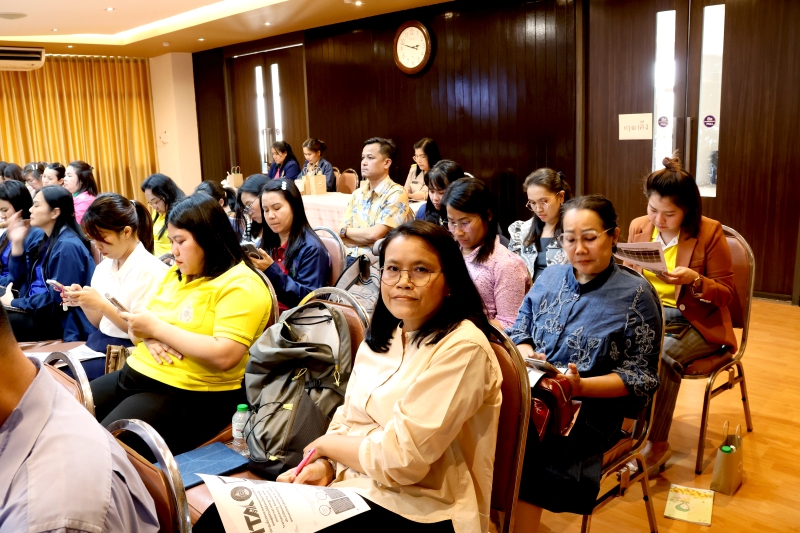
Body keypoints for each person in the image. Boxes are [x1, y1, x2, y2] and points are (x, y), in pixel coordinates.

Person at [272, 221, 502, 533]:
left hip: (424, 505)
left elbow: (403, 460)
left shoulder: (463, 347)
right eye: (392, 269)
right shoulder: (384, 336)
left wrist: (327, 445)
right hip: (356, 486)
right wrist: (326, 466)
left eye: (420, 270)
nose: (403, 282)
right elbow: (349, 417)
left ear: (450, 282)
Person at [506, 195, 661, 531]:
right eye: (569, 239)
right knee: (482, 433)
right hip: (536, 398)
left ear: (613, 235)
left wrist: (579, 386)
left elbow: (641, 377)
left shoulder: (636, 295)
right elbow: (519, 330)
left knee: (525, 455)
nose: (579, 249)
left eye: (590, 238)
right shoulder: (550, 277)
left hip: (591, 414)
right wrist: (528, 352)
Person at [89, 195, 272, 455]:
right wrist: (148, 335)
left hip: (187, 394)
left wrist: (157, 330)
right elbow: (136, 329)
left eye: (180, 241)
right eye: (172, 241)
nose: (173, 251)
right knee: (68, 413)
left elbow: (225, 355)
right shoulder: (177, 274)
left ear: (209, 237)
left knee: (102, 449)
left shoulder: (241, 284)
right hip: (133, 374)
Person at [0, 304, 160, 532]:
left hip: (171, 378)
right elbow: (132, 332)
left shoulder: (47, 517)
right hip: (131, 366)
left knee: (112, 430)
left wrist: (157, 332)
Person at [628, 155, 735, 476]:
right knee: (609, 341)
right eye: (652, 209)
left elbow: (726, 294)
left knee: (661, 356)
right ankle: (625, 432)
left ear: (687, 209)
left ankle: (657, 443)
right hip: (650, 314)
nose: (658, 220)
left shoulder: (709, 232)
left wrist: (696, 281)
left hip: (697, 321)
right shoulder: (640, 227)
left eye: (669, 214)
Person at [64, 194, 168, 358]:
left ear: (126, 232)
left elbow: (140, 333)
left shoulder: (153, 271)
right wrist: (84, 302)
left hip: (129, 350)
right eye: (93, 238)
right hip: (100, 342)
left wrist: (101, 305)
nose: (97, 246)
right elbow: (99, 323)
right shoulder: (103, 267)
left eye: (102, 237)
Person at [0, 186, 97, 342]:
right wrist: (17, 244)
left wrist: (13, 302)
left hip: (58, 321)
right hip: (35, 308)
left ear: (54, 212)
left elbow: (57, 301)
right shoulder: (47, 241)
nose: (30, 210)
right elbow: (17, 279)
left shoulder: (67, 247)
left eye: (36, 205)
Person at [442, 177, 528, 330]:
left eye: (465, 223)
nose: (458, 232)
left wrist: (457, 327)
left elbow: (510, 325)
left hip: (478, 339)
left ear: (488, 215)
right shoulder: (448, 252)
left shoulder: (506, 264)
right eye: (452, 222)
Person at [249, 179, 330, 310]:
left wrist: (270, 270)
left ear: (294, 207)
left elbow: (308, 299)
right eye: (266, 210)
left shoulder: (312, 248)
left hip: (293, 318)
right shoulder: (267, 241)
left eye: (277, 208)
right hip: (264, 310)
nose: (270, 216)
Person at [339, 137, 414, 266]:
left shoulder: (396, 193)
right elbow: (340, 233)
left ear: (386, 163)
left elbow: (375, 234)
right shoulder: (357, 194)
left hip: (378, 263)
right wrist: (363, 239)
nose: (364, 162)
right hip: (349, 257)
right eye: (363, 157)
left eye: (370, 157)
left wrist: (347, 233)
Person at [508, 168, 571, 281]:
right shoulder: (522, 230)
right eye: (532, 203)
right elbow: (513, 270)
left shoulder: (574, 229)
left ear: (561, 196)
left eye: (544, 202)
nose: (538, 209)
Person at [0, 181, 45, 289]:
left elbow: (22, 277)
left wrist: (17, 244)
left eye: (5, 210)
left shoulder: (37, 234)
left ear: (20, 207)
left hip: (13, 290)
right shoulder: (8, 232)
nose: (2, 215)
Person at [141, 173, 185, 259]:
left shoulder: (180, 214)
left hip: (171, 261)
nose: (154, 206)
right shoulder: (157, 213)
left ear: (168, 195)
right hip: (156, 260)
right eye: (150, 203)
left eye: (156, 201)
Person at [415, 159, 463, 226]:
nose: (435, 198)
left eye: (441, 193)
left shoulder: (465, 215)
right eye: (431, 191)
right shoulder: (423, 211)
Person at [234, 174, 270, 242]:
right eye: (245, 207)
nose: (248, 212)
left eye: (249, 204)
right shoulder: (251, 226)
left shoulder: (278, 229)